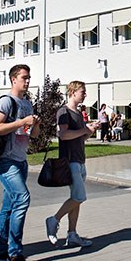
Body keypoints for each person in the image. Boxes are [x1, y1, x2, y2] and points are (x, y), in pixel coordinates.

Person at [0, 64, 40, 261]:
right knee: (22, 199)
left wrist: (35, 124)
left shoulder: (27, 104)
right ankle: (15, 252)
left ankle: (0, 253)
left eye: (29, 77)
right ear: (13, 79)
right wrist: (21, 122)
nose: (27, 81)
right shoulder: (5, 101)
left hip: (21, 161)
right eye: (24, 78)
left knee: (9, 207)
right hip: (5, 160)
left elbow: (33, 135)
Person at [45, 81, 100, 248]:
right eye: (83, 91)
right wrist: (84, 130)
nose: (85, 94)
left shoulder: (78, 112)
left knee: (76, 198)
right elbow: (63, 135)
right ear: (73, 92)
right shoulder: (64, 111)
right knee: (79, 197)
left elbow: (79, 138)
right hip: (70, 161)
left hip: (80, 159)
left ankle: (72, 234)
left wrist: (88, 131)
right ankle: (53, 220)